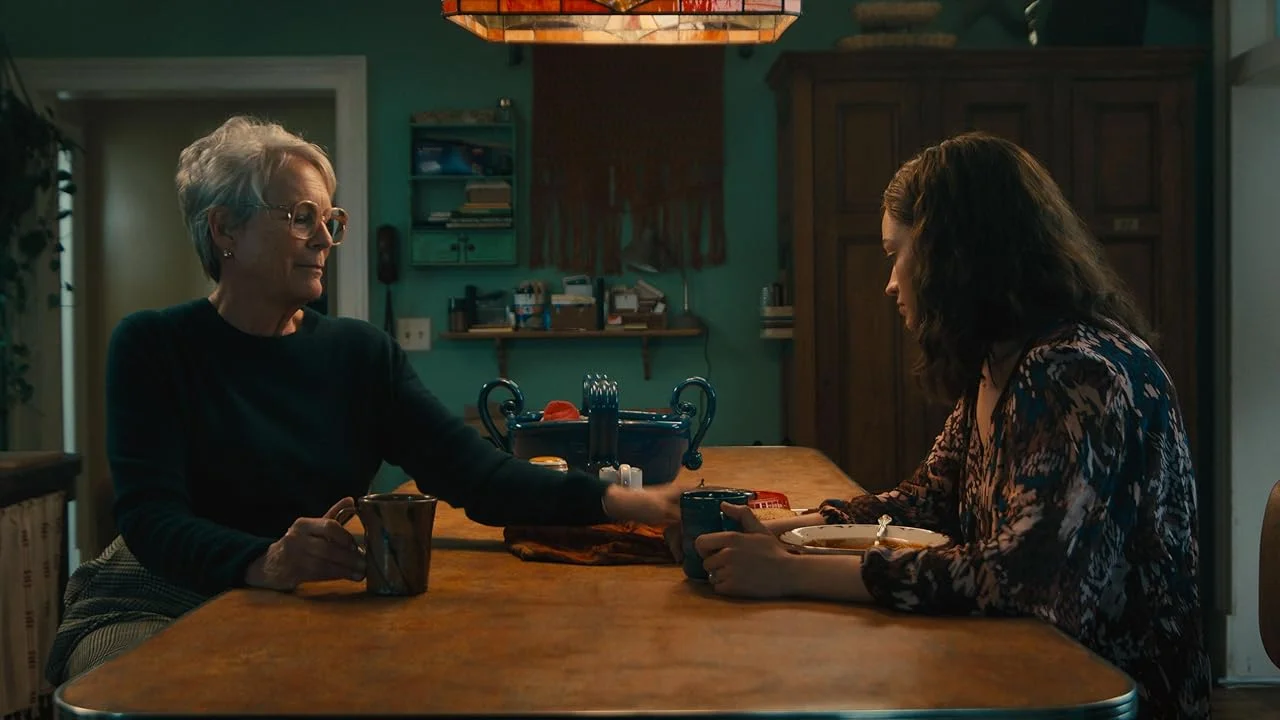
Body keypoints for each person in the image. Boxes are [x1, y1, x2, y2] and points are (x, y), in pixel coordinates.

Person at [47, 115, 679, 684]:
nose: (324, 238)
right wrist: (266, 561)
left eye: (331, 220)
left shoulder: (360, 354)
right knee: (160, 689)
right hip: (161, 594)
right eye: (301, 216)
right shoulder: (154, 345)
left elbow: (478, 476)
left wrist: (629, 503)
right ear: (225, 229)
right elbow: (151, 519)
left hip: (303, 599)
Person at [688, 133, 1212, 718]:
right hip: (1026, 674)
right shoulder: (1004, 359)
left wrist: (793, 572)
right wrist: (787, 531)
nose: (890, 282)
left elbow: (1017, 579)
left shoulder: (1073, 372)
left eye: (896, 253)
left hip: (1107, 697)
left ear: (952, 254)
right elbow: (929, 502)